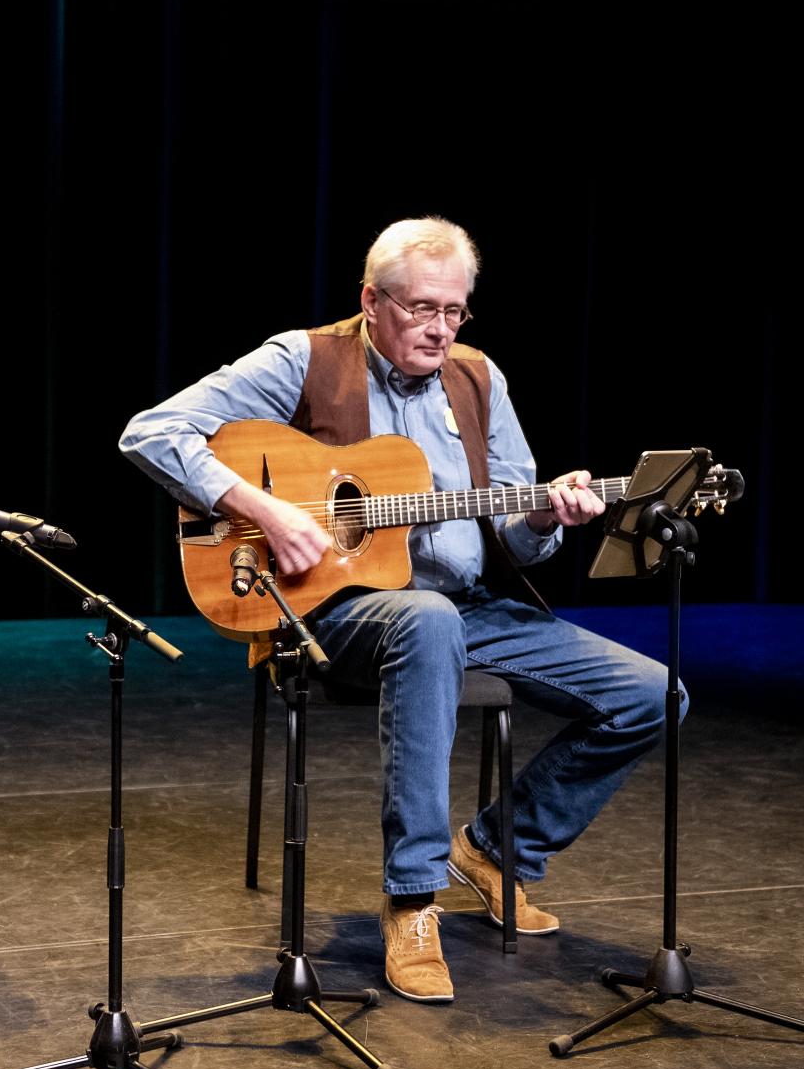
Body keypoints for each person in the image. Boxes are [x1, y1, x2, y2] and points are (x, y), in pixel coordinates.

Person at [119, 216, 681, 1003]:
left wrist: (549, 518)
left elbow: (516, 541)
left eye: (455, 312)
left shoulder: (480, 380)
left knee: (655, 695)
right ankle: (414, 899)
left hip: (470, 607)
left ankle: (495, 849)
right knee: (425, 619)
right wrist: (270, 512)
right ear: (371, 301)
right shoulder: (305, 357)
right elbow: (152, 433)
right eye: (422, 309)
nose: (440, 329)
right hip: (339, 613)